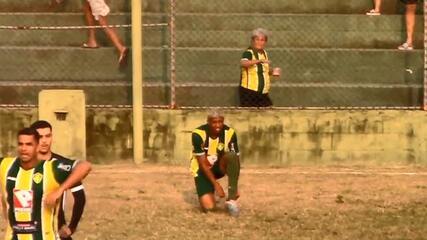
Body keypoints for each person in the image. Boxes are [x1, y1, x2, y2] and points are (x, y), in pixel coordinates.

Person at [0, 128, 91, 240]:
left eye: (29, 144)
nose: (24, 148)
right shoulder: (5, 165)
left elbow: (85, 166)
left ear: (38, 146)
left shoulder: (52, 168)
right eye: (20, 144)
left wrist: (60, 190)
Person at [30, 120, 85, 240]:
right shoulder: (20, 165)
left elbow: (80, 197)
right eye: (40, 137)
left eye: (48, 136)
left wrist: (72, 227)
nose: (44, 141)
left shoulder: (62, 165)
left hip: (56, 230)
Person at [190, 111, 241, 217]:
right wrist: (216, 184)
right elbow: (202, 164)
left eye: (220, 122)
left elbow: (236, 159)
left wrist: (234, 187)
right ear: (208, 122)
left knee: (232, 156)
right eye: (214, 122)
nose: (217, 125)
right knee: (209, 208)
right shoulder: (198, 134)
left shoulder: (230, 132)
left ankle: (231, 200)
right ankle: (210, 191)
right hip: (202, 169)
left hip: (219, 167)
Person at [240, 28, 281, 107]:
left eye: (262, 40)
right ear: (253, 41)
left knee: (268, 110)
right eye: (257, 40)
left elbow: (263, 70)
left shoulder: (264, 53)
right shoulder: (249, 53)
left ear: (265, 42)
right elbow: (243, 63)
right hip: (250, 91)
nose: (260, 42)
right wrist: (259, 61)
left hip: (263, 91)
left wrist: (273, 71)